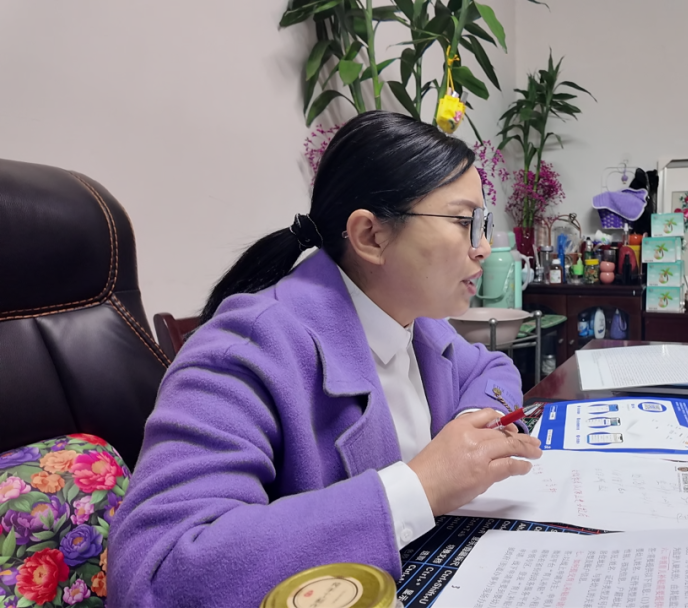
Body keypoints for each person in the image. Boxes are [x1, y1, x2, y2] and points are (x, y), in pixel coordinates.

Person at [110, 111, 542, 607]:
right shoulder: (247, 347)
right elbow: (158, 571)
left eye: (483, 225)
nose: (483, 248)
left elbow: (489, 367)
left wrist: (474, 425)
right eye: (465, 223)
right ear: (371, 236)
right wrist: (423, 485)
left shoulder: (417, 322)